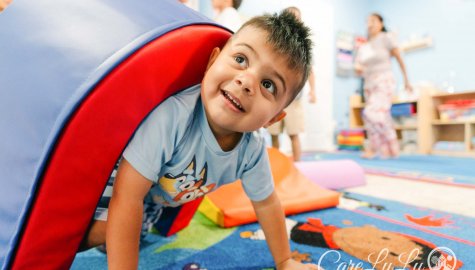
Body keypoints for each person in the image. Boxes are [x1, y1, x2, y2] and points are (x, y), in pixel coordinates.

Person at [81, 11, 320, 270]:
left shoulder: (252, 149)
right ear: (212, 62)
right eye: (240, 59)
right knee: (96, 231)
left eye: (268, 84)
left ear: (273, 119)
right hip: (116, 178)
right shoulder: (173, 116)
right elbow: (126, 197)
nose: (247, 81)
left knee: (130, 233)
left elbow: (266, 203)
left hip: (158, 196)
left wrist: (285, 261)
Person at [354, 13, 412, 159]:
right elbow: (358, 68)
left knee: (371, 113)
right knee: (379, 117)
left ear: (381, 23)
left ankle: (377, 147)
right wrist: (358, 69)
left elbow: (399, 59)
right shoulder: (364, 47)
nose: (370, 24)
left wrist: (406, 80)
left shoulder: (386, 38)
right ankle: (389, 149)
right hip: (369, 84)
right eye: (368, 21)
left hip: (384, 81)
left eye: (373, 20)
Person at [266, 6, 316, 162]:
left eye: (297, 18)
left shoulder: (303, 44)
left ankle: (297, 164)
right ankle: (275, 165)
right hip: (276, 97)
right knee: (274, 134)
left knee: (294, 133)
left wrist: (313, 90)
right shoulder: (276, 39)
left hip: (294, 98)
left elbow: (310, 70)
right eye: (290, 17)